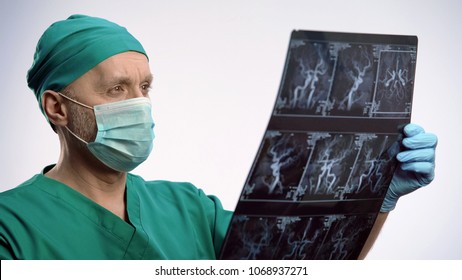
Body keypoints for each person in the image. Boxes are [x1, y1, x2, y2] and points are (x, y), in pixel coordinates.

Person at [0, 15, 437, 260]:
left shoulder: (188, 208)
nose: (140, 104)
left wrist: (374, 195)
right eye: (117, 90)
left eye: (145, 88)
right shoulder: (11, 226)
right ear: (57, 108)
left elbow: (307, 267)